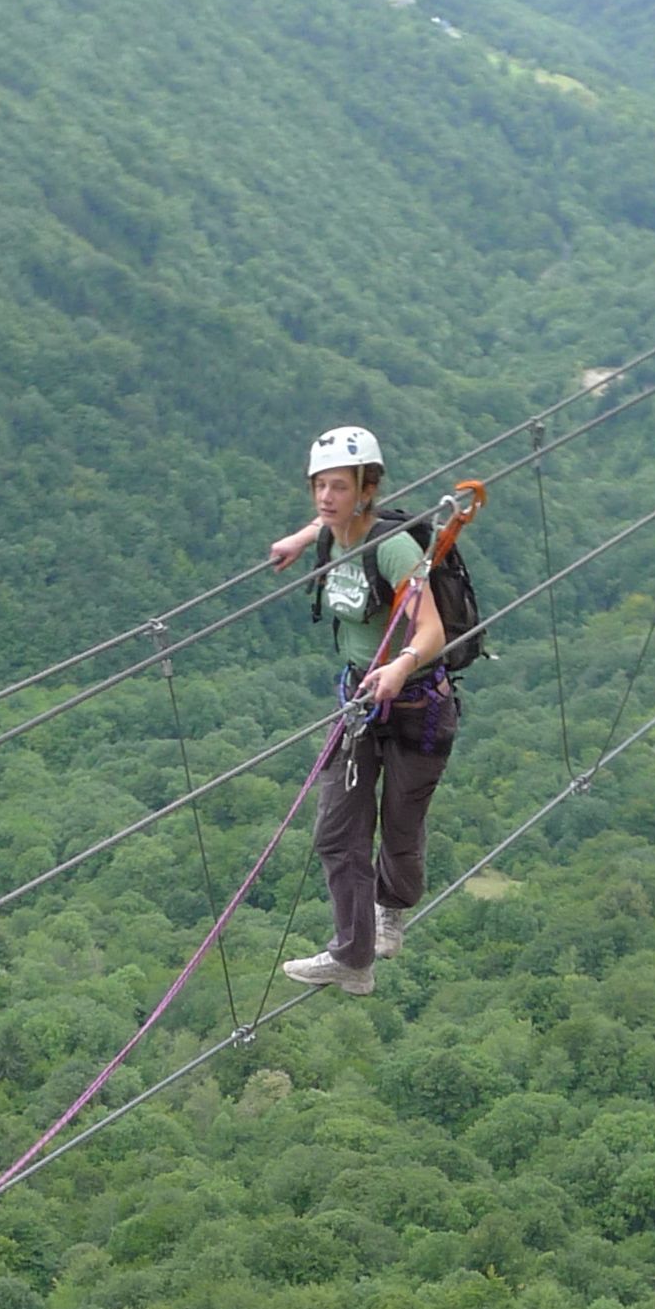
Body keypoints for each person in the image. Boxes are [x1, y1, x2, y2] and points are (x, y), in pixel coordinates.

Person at [268, 422, 459, 997]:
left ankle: (392, 911)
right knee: (336, 833)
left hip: (414, 707)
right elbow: (336, 527)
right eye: (318, 487)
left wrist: (400, 665)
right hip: (357, 703)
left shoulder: (395, 550)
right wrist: (303, 538)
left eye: (340, 488)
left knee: (399, 830)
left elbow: (430, 630)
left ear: (366, 489)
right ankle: (353, 956)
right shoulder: (330, 536)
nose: (326, 498)